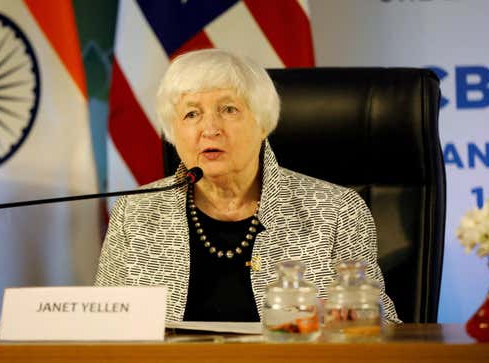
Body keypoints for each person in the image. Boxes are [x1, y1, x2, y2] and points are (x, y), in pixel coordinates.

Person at [94, 48, 400, 324]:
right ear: (173, 132)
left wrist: (349, 319)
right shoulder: (134, 212)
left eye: (229, 109)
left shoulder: (337, 210)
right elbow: (103, 326)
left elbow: (382, 328)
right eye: (191, 114)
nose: (210, 129)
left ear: (263, 122)